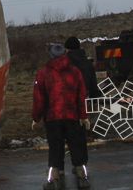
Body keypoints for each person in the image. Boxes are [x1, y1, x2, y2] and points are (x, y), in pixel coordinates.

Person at [32, 42, 91, 190]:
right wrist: (84, 116)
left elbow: (39, 99)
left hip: (52, 118)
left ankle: (54, 179)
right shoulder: (75, 72)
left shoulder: (43, 73)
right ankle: (82, 177)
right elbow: (81, 96)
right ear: (65, 54)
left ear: (50, 55)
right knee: (77, 147)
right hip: (72, 116)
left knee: (55, 149)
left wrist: (36, 117)